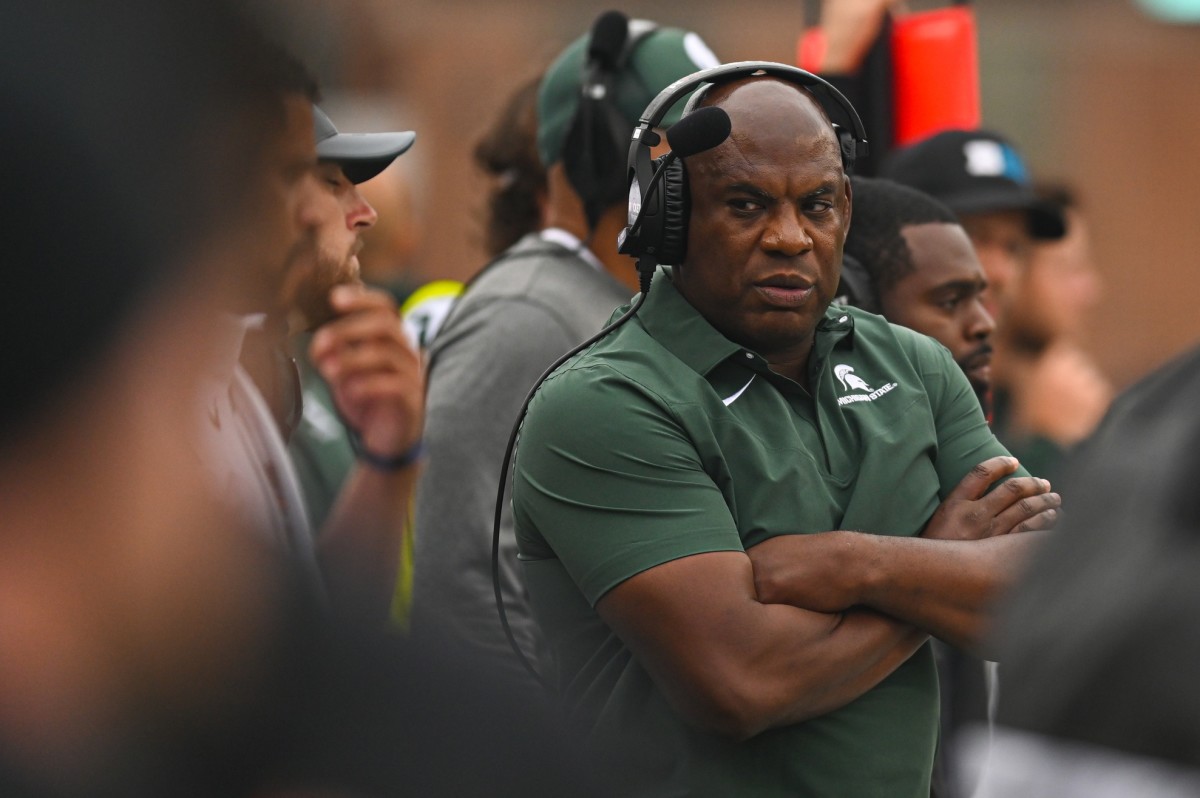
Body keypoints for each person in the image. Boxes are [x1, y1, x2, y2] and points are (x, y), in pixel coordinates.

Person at [511, 70, 1060, 795]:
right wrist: (940, 569)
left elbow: (1043, 598)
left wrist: (858, 565)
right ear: (670, 218)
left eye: (817, 205)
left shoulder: (917, 365)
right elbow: (741, 684)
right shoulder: (604, 402)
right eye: (746, 205)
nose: (790, 237)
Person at [410, 13, 720, 681]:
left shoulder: (628, 304)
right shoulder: (523, 316)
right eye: (692, 154)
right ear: (601, 158)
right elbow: (462, 588)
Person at [966, 343, 1200, 796]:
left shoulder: (1154, 396)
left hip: (1042, 739)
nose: (1087, 290)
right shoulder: (1158, 406)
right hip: (1131, 744)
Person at [840, 175, 999, 798]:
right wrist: (934, 565)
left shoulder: (972, 473)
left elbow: (1035, 598)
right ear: (855, 302)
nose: (984, 323)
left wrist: (870, 570)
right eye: (951, 299)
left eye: (981, 298)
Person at [881, 129, 1098, 478]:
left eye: (1013, 248)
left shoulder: (996, 392)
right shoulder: (847, 381)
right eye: (974, 237)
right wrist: (1045, 445)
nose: (998, 272)